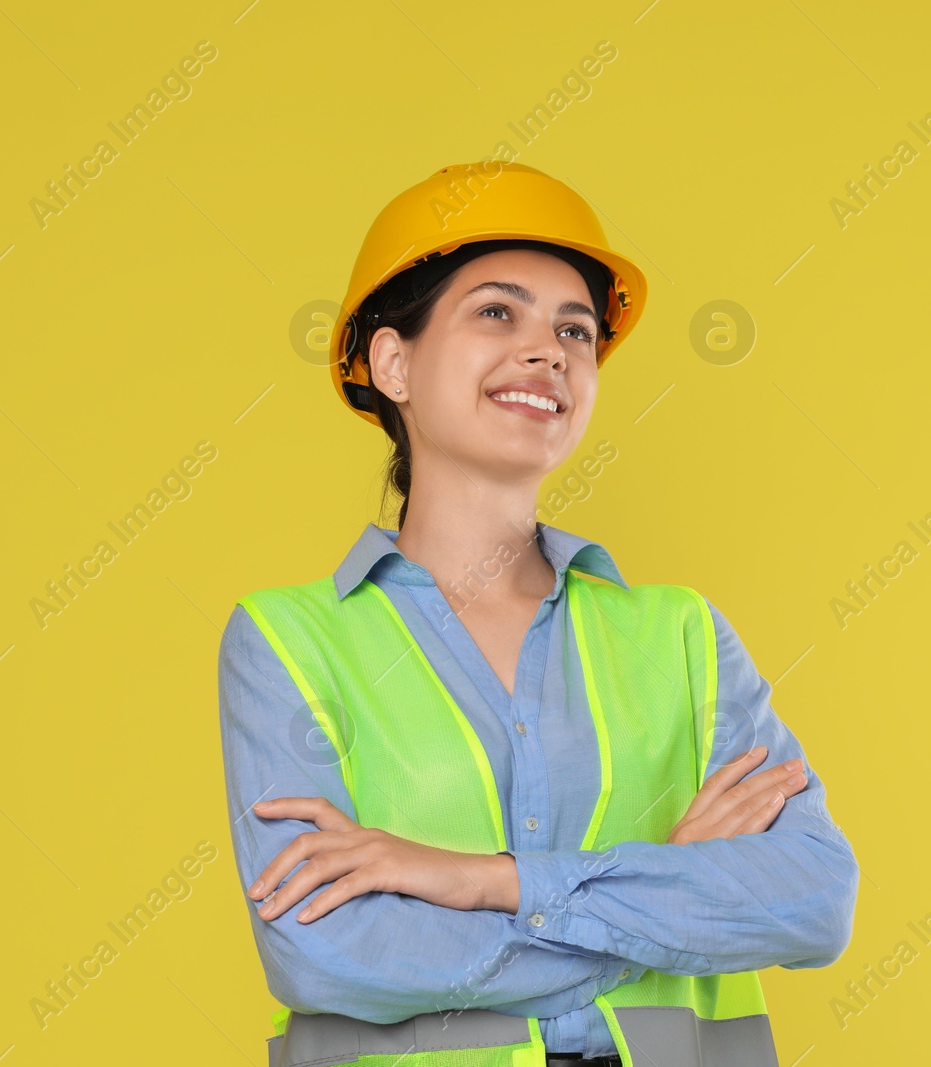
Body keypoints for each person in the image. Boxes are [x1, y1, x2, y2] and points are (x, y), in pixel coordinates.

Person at [218, 161, 860, 1067]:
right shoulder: (287, 641)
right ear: (392, 361)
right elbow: (326, 952)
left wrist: (485, 882)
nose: (549, 350)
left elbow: (813, 897)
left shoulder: (682, 636)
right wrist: (663, 897)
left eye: (576, 329)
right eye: (496, 312)